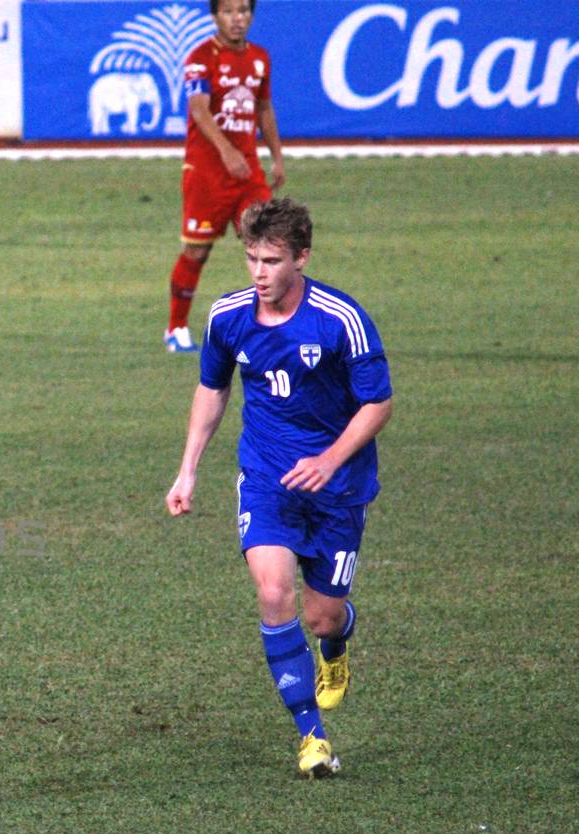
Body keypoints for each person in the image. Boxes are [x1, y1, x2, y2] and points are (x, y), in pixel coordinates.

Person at [165, 199, 391, 778]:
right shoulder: (229, 317)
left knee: (322, 617)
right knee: (273, 594)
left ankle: (337, 646)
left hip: (338, 487)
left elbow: (377, 402)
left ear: (302, 258)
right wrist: (188, 467)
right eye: (251, 259)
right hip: (266, 478)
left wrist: (330, 458)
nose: (259, 273)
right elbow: (212, 390)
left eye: (271, 260)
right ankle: (312, 738)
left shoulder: (341, 319)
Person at [164, 0, 285, 353]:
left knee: (270, 244)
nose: (238, 19)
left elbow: (264, 108)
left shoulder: (260, 58)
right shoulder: (201, 57)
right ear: (215, 15)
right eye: (230, 11)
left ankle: (274, 326)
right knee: (196, 251)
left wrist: (276, 157)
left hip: (247, 172)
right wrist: (226, 150)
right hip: (207, 171)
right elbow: (199, 109)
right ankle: (176, 329)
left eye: (244, 11)